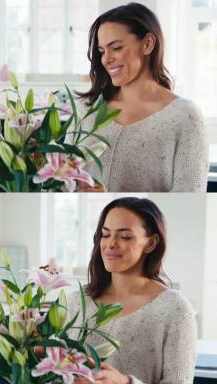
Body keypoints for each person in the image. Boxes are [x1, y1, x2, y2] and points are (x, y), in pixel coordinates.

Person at [77, 2, 207, 192]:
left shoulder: (185, 118)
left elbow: (189, 201)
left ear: (148, 44)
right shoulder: (87, 110)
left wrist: (109, 199)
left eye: (117, 47)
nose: (106, 59)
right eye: (102, 51)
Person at [69, 197, 196, 383]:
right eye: (105, 234)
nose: (110, 244)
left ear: (151, 243)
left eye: (125, 236)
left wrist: (126, 382)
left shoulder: (175, 310)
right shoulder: (77, 301)